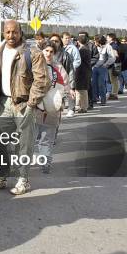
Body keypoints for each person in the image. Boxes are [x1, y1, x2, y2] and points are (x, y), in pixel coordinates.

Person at [0, 20, 50, 195]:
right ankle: (1, 177)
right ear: (3, 33)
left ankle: (23, 179)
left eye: (14, 32)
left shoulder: (32, 53)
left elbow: (42, 80)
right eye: (7, 32)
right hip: (2, 103)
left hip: (24, 104)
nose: (11, 36)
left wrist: (31, 104)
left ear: (21, 33)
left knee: (24, 144)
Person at [35, 40, 70, 173]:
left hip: (52, 107)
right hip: (36, 106)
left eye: (51, 52)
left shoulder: (58, 67)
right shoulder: (34, 65)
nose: (48, 54)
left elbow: (65, 84)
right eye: (46, 51)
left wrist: (64, 97)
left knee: (47, 137)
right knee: (31, 136)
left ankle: (45, 162)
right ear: (42, 51)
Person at [61, 32, 81, 117]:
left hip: (69, 72)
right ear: (62, 39)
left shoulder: (73, 48)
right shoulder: (59, 48)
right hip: (60, 72)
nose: (67, 40)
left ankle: (71, 109)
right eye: (65, 38)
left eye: (69, 38)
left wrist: (71, 67)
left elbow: (78, 60)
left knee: (70, 90)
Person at [92, 35, 115, 106]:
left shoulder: (108, 46)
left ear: (99, 41)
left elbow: (112, 57)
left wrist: (106, 64)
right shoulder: (94, 46)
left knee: (101, 84)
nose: (94, 42)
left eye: (95, 40)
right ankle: (94, 99)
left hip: (102, 68)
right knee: (93, 84)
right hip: (94, 67)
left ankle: (103, 100)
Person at [106, 33, 127, 99]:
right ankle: (114, 93)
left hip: (113, 65)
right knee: (113, 80)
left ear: (111, 38)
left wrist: (109, 63)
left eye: (107, 37)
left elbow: (116, 55)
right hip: (114, 64)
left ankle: (114, 94)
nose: (106, 39)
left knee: (114, 80)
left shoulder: (113, 45)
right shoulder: (112, 45)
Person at [75, 34, 93, 113]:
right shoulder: (86, 48)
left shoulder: (82, 50)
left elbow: (79, 62)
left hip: (82, 72)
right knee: (80, 90)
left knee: (82, 90)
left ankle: (84, 107)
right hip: (85, 71)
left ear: (78, 42)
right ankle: (80, 106)